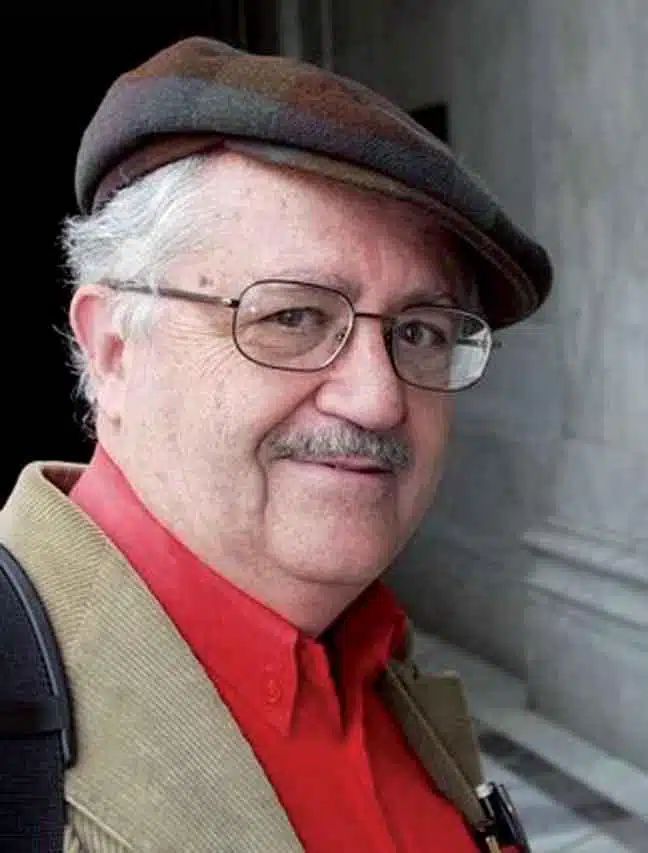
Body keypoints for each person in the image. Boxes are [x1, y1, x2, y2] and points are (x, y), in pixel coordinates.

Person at [0, 36, 551, 853]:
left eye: (420, 331)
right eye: (292, 316)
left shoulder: (380, 666)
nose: (378, 398)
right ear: (114, 349)